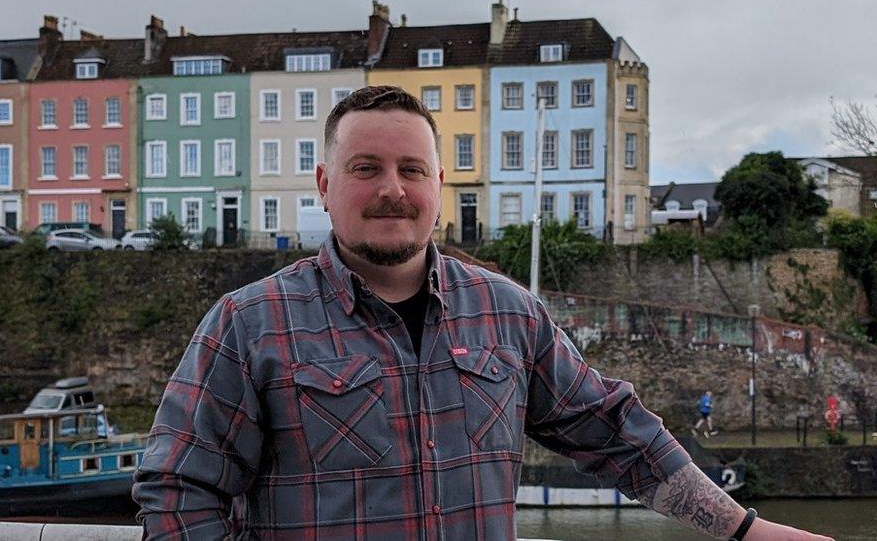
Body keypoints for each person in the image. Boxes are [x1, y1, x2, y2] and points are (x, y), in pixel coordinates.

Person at [132, 86, 832, 540]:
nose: (392, 190)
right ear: (324, 183)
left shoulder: (509, 313)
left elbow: (617, 433)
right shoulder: (247, 324)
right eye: (365, 167)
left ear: (440, 183)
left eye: (411, 170)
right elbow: (177, 492)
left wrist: (744, 530)